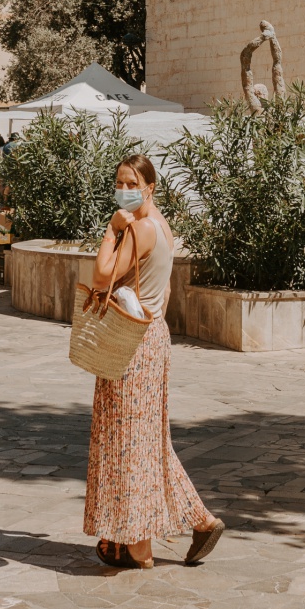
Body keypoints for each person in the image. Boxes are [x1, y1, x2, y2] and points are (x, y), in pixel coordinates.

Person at [83, 155, 224, 570]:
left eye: (131, 181)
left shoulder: (139, 229)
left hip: (129, 342)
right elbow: (162, 293)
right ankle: (191, 521)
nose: (123, 187)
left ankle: (137, 545)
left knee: (128, 442)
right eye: (118, 180)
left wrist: (111, 231)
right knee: (145, 441)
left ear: (150, 186)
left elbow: (101, 274)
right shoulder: (163, 227)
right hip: (153, 337)